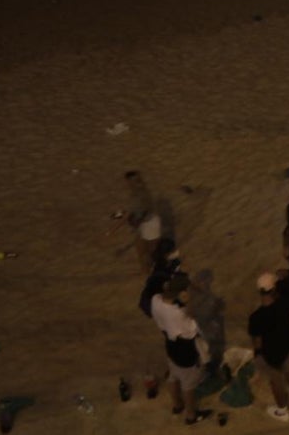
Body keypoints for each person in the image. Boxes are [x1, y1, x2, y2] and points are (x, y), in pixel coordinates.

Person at [151, 274, 212, 426]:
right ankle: (191, 416)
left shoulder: (156, 300)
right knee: (188, 385)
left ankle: (177, 405)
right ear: (181, 293)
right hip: (185, 352)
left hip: (170, 345)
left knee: (173, 375)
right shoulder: (179, 314)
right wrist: (189, 305)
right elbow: (193, 331)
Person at [248, 272, 289, 423]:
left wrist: (258, 355)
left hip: (270, 356)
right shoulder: (284, 304)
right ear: (274, 289)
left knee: (276, 382)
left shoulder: (255, 317)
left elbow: (257, 343)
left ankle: (282, 411)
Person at [125, 170, 162, 274]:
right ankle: (146, 270)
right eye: (130, 181)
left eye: (134, 180)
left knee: (150, 248)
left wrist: (138, 220)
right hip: (143, 223)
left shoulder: (142, 192)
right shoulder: (134, 193)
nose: (131, 183)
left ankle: (152, 269)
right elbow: (136, 209)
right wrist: (131, 217)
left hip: (149, 222)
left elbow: (148, 208)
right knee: (142, 248)